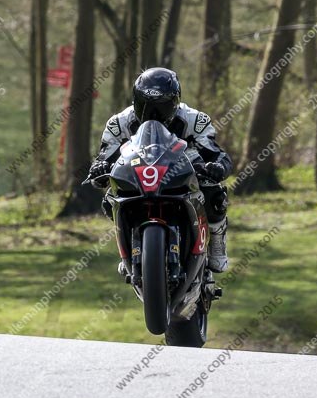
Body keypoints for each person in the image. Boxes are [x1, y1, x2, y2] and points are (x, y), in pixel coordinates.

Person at [88, 67, 231, 272]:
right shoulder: (119, 123)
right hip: (138, 175)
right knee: (110, 197)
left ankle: (217, 243)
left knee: (215, 193)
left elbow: (216, 153)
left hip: (182, 174)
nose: (153, 114)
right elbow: (104, 157)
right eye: (145, 106)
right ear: (135, 101)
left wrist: (217, 167)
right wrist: (98, 168)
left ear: (175, 102)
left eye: (161, 106)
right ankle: (128, 245)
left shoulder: (194, 120)